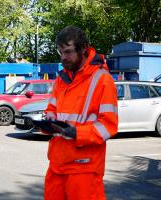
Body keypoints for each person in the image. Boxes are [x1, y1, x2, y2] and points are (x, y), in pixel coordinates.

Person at [43, 25, 118, 200]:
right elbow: (52, 110)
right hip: (57, 164)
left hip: (84, 168)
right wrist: (47, 123)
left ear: (83, 49)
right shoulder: (62, 80)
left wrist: (77, 133)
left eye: (68, 52)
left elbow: (109, 125)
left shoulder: (102, 80)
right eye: (61, 52)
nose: (63, 57)